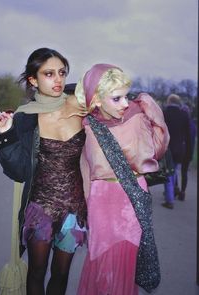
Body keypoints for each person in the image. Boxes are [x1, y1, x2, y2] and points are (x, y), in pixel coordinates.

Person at [0, 47, 87, 295]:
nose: (57, 79)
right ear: (33, 80)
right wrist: (5, 135)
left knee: (62, 273)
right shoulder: (25, 119)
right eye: (48, 74)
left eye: (62, 72)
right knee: (37, 271)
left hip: (74, 210)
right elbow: (20, 172)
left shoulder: (81, 108)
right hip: (40, 209)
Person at [74, 64, 170, 295]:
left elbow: (158, 147)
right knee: (101, 260)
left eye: (126, 96)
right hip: (100, 202)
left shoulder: (136, 116)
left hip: (131, 199)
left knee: (127, 260)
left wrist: (151, 111)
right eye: (116, 98)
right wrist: (86, 204)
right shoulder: (87, 125)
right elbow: (85, 168)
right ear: (96, 99)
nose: (125, 103)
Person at [162, 94, 191, 209]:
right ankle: (172, 193)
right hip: (180, 149)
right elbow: (188, 136)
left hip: (168, 147)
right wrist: (188, 152)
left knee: (168, 173)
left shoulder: (164, 114)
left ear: (169, 102)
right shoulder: (184, 115)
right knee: (173, 172)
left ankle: (170, 200)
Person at [174, 102, 196, 201]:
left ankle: (176, 188)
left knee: (174, 170)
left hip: (180, 150)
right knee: (184, 172)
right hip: (188, 151)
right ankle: (182, 192)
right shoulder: (193, 125)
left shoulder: (181, 123)